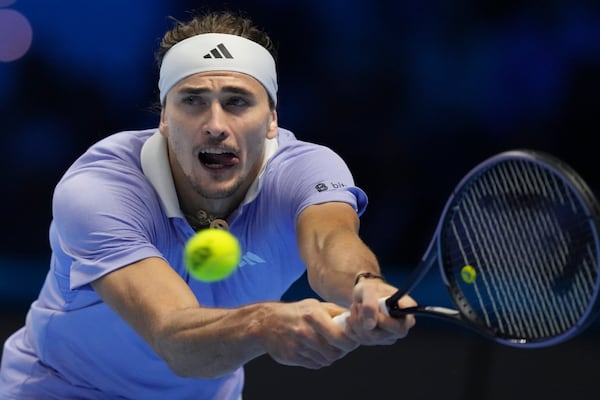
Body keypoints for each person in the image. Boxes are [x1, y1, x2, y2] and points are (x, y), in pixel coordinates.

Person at [0, 10, 416, 399]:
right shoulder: (101, 188)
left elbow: (329, 244)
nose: (215, 125)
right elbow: (174, 338)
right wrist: (263, 323)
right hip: (59, 387)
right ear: (164, 117)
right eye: (193, 100)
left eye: (237, 101)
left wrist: (365, 285)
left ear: (272, 118)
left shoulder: (306, 170)